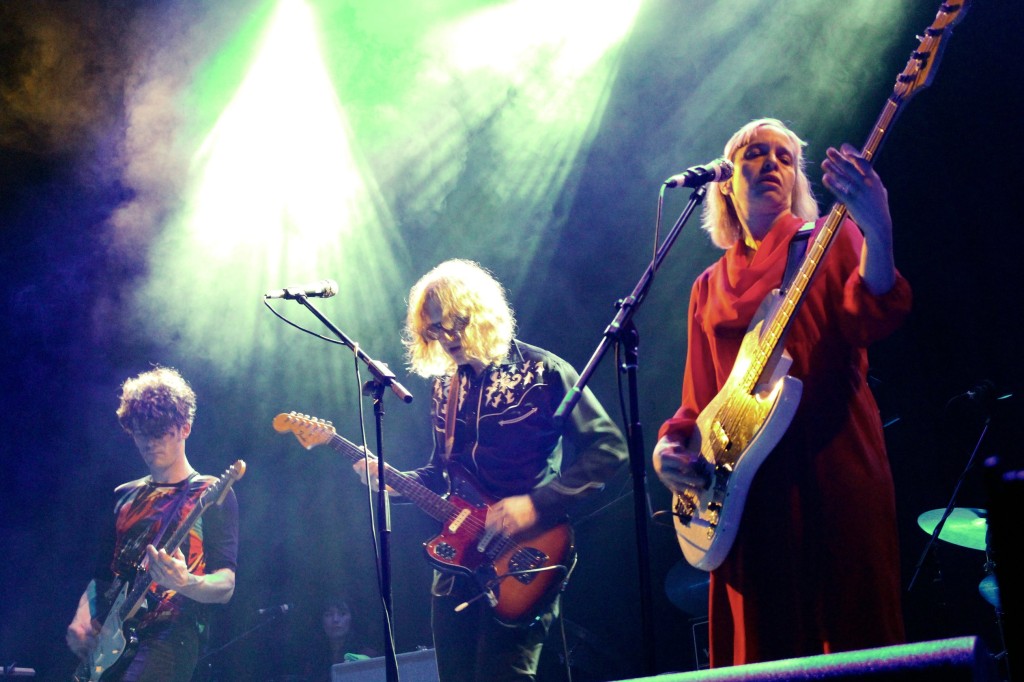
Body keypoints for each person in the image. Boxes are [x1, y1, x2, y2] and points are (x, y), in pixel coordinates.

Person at [653, 118, 910, 667]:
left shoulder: (829, 237)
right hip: (742, 492)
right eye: (754, 154)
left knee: (850, 641)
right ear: (725, 180)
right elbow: (697, 401)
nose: (771, 163)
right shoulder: (706, 287)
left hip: (831, 470)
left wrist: (879, 225)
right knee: (766, 654)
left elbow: (873, 314)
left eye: (784, 157)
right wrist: (671, 450)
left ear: (796, 179)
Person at [354, 259, 627, 682]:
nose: (447, 339)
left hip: (526, 555)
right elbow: (440, 472)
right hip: (458, 561)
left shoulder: (544, 373)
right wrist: (393, 482)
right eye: (434, 331)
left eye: (455, 323)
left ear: (481, 312)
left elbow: (608, 449)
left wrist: (536, 504)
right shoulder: (445, 386)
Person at [66, 366, 239, 682]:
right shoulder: (124, 496)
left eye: (160, 432)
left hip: (171, 633)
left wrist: (187, 582)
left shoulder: (210, 492)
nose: (149, 442)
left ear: (184, 428)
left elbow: (226, 584)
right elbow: (102, 576)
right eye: (140, 432)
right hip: (111, 640)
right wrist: (83, 615)